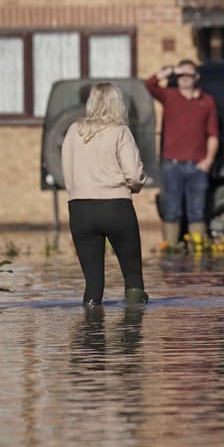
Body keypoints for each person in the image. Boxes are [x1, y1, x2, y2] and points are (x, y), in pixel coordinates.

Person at [62, 82, 148, 308]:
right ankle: (132, 335)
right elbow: (134, 175)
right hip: (116, 206)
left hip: (80, 208)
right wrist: (136, 186)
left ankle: (91, 334)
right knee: (132, 277)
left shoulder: (73, 130)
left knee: (92, 283)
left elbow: (67, 173)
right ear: (117, 104)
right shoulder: (120, 131)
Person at [145, 59, 219, 248]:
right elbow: (149, 84)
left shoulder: (207, 101)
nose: (184, 79)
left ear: (197, 77)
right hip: (172, 165)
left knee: (197, 211)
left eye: (188, 75)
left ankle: (197, 248)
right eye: (181, 76)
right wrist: (171, 70)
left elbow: (213, 135)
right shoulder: (169, 96)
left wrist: (208, 160)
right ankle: (171, 248)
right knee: (172, 211)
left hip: (197, 166)